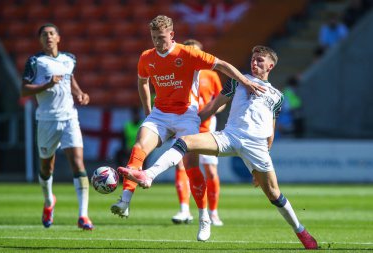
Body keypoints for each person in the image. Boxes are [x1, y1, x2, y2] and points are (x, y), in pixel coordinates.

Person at [118, 45, 319, 249]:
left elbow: (271, 129)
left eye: (260, 60)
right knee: (185, 142)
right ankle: (149, 175)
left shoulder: (277, 96)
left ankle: (301, 232)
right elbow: (215, 105)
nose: (255, 62)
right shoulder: (237, 81)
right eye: (253, 58)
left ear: (271, 65)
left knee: (274, 194)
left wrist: (261, 161)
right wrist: (194, 119)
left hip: (257, 146)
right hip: (229, 136)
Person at [110, 15, 266, 242]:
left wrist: (246, 81)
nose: (158, 42)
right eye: (154, 38)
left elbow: (222, 64)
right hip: (160, 114)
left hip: (186, 115)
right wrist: (147, 110)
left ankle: (204, 218)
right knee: (138, 148)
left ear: (172, 35)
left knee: (190, 166)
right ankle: (124, 201)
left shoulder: (188, 53)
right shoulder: (146, 57)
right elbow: (142, 81)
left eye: (162, 38)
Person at [21, 23, 93, 230]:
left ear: (59, 38)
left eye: (52, 34)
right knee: (46, 167)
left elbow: (70, 79)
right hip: (46, 120)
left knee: (78, 164)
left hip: (69, 117)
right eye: (44, 35)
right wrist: (46, 85)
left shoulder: (69, 59)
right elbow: (24, 90)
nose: (48, 37)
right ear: (40, 40)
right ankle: (49, 201)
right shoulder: (35, 62)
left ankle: (83, 216)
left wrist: (79, 92)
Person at [171, 39, 224, 226]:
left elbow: (221, 100)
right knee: (180, 166)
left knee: (210, 170)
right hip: (184, 126)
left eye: (196, 53)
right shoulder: (177, 73)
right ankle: (184, 210)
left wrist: (208, 113)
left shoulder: (211, 75)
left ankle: (214, 212)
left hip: (206, 127)